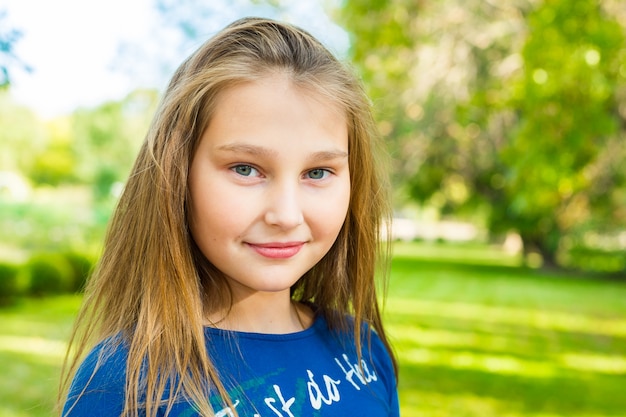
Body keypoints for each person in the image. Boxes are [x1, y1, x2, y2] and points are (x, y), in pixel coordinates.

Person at [59, 17, 399, 417]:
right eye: (245, 169)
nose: (286, 215)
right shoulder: (124, 382)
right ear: (177, 174)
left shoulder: (362, 349)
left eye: (317, 173)